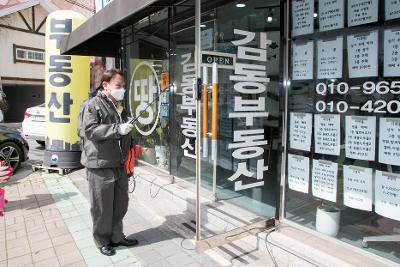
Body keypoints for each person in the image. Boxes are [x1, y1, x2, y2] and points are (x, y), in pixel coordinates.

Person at [79, 69, 138, 256]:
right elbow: (89, 131)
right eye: (118, 86)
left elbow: (121, 133)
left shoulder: (117, 105)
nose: (122, 89)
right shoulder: (92, 105)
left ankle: (117, 237)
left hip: (118, 163)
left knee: (120, 203)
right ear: (105, 85)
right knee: (102, 207)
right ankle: (102, 240)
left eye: (123, 86)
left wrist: (128, 134)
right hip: (100, 164)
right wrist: (117, 129)